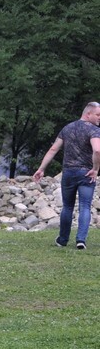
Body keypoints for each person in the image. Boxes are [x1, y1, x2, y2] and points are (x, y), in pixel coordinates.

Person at [33, 102, 100, 250]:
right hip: (86, 173)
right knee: (85, 206)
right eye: (98, 114)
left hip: (68, 173)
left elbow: (53, 149)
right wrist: (95, 169)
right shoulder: (94, 130)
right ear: (88, 113)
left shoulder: (67, 128)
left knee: (67, 206)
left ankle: (63, 239)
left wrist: (41, 168)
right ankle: (81, 240)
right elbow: (97, 151)